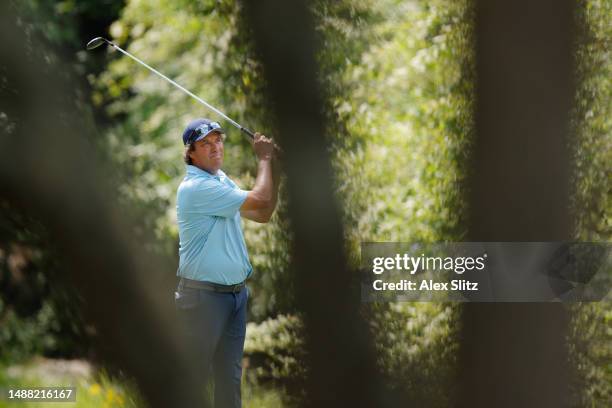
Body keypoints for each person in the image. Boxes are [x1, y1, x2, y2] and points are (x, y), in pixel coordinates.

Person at [174, 118, 279, 407]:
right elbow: (260, 199)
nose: (215, 147)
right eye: (205, 143)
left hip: (234, 296)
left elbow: (263, 212)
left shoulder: (220, 180)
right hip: (203, 298)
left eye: (218, 140)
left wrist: (274, 166)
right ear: (191, 153)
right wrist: (265, 158)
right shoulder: (195, 187)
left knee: (229, 383)